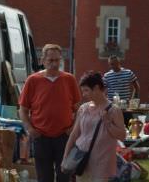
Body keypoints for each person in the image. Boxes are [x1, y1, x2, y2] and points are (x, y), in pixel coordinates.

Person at [19, 43, 81, 182]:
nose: (54, 64)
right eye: (50, 60)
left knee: (64, 176)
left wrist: (73, 129)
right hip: (41, 137)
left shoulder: (69, 79)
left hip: (64, 137)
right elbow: (23, 110)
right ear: (42, 61)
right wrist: (30, 129)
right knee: (44, 177)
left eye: (57, 60)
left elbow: (79, 109)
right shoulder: (33, 80)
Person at [62, 71, 126, 181]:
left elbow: (122, 136)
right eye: (83, 91)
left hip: (102, 163)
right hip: (81, 160)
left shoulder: (114, 110)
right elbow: (74, 134)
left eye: (86, 90)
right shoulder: (83, 108)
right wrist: (65, 158)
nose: (83, 94)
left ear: (96, 88)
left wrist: (107, 123)